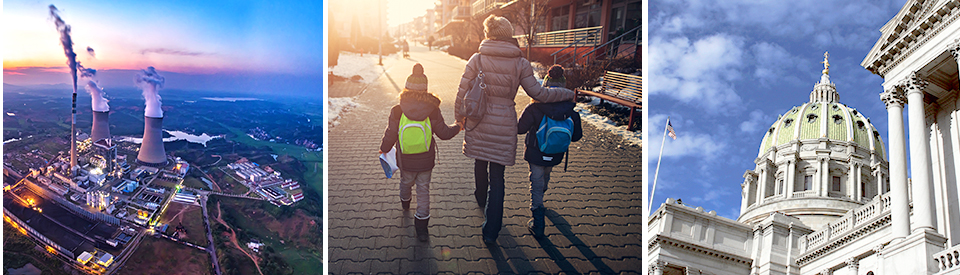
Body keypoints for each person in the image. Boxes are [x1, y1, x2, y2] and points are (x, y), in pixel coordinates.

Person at [455, 15, 575, 245]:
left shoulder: (477, 59)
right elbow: (539, 94)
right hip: (504, 122)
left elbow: (461, 91)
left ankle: (481, 198)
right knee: (498, 174)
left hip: (478, 119)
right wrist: (566, 93)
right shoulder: (520, 63)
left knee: (480, 160)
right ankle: (491, 231)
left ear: (489, 34)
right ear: (509, 35)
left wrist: (459, 118)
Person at [380, 63, 462, 242]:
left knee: (405, 181)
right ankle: (422, 228)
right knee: (424, 191)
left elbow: (391, 133)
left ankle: (405, 201)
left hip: (406, 160)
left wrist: (384, 149)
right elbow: (444, 133)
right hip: (426, 161)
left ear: (406, 88)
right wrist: (458, 126)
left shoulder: (397, 110)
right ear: (426, 89)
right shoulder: (432, 109)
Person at [517, 64, 582, 238]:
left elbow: (520, 129)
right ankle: (543, 190)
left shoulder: (534, 108)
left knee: (535, 182)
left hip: (535, 153)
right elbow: (576, 137)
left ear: (545, 85)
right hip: (555, 154)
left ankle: (538, 222)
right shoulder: (572, 111)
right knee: (545, 175)